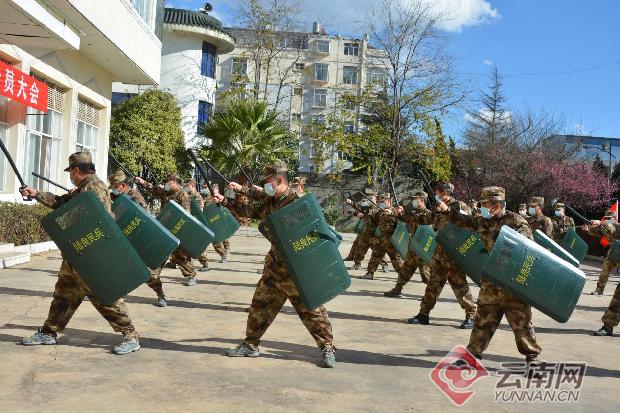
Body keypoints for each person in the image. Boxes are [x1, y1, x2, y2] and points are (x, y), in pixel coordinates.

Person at [217, 160, 336, 368]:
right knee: (260, 306)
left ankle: (327, 347)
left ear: (280, 180)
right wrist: (226, 202)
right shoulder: (270, 201)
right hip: (275, 268)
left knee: (313, 310)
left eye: (268, 182)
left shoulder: (298, 202)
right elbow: (249, 211)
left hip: (298, 270)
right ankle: (250, 345)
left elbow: (314, 234)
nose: (265, 186)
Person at [20, 152, 140, 355]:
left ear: (76, 170)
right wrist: (35, 193)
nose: (70, 176)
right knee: (63, 294)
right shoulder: (83, 189)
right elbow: (60, 202)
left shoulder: (94, 188)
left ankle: (130, 335)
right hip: (77, 254)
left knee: (104, 296)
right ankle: (49, 332)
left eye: (70, 172)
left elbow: (99, 221)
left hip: (91, 254)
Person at [450, 186, 542, 363]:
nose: (482, 206)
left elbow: (527, 248)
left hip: (512, 281)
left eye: (485, 203)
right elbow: (463, 221)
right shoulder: (483, 220)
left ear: (497, 204)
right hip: (491, 280)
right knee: (483, 319)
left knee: (521, 321)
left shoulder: (516, 221)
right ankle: (472, 355)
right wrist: (448, 210)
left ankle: (532, 358)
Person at [407, 182, 477, 329]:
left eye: (437, 192)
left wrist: (447, 210)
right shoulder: (438, 207)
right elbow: (427, 219)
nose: (435, 196)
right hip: (439, 253)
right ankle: (423, 314)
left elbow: (466, 223)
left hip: (454, 255)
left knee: (460, 287)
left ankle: (471, 316)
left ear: (444, 193)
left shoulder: (459, 205)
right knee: (432, 285)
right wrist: (416, 211)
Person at [108, 170, 167, 307]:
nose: (113, 190)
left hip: (139, 239)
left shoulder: (135, 196)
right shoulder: (115, 196)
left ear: (122, 186)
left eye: (115, 187)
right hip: (123, 238)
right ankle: (116, 293)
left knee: (149, 274)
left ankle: (160, 294)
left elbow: (140, 215)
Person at [135, 173, 198, 286]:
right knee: (160, 252)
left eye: (168, 181)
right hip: (165, 228)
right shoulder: (166, 192)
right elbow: (153, 190)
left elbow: (185, 215)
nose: (166, 183)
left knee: (179, 256)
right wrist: (142, 181)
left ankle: (191, 275)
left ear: (174, 181)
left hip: (176, 229)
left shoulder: (183, 195)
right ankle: (153, 276)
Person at [384, 191, 431, 297]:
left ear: (422, 200)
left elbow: (427, 228)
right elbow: (405, 219)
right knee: (406, 270)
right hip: (413, 248)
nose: (413, 201)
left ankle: (431, 295)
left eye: (415, 199)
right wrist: (399, 213)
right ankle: (397, 289)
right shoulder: (414, 213)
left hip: (422, 249)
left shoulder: (427, 213)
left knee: (426, 275)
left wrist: (404, 213)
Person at [362, 193, 407, 280]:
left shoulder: (396, 210)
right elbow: (372, 220)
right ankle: (370, 273)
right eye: (380, 202)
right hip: (380, 240)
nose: (381, 203)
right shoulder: (380, 212)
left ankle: (402, 276)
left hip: (391, 241)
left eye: (383, 201)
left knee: (396, 259)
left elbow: (403, 219)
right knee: (375, 256)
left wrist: (393, 212)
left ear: (389, 201)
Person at [584, 210, 619, 296]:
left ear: (614, 219)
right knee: (604, 271)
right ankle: (599, 290)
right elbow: (597, 233)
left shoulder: (617, 226)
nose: (607, 220)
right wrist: (589, 229)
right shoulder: (605, 227)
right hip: (613, 252)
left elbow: (612, 229)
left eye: (610, 219)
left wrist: (600, 222)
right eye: (606, 218)